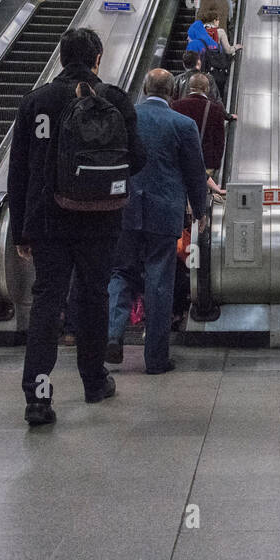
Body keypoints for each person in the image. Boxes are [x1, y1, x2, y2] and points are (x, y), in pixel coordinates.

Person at [9, 28, 146, 426]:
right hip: (102, 218)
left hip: (49, 220)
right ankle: (93, 381)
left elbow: (18, 171)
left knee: (47, 302)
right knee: (94, 295)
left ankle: (38, 398)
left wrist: (22, 229)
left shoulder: (37, 101)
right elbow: (137, 158)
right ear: (98, 59)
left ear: (60, 57)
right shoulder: (114, 100)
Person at [108, 69, 209, 373]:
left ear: (144, 88)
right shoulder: (183, 124)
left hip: (124, 208)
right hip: (165, 213)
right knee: (159, 280)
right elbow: (195, 174)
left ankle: (112, 336)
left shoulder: (126, 119)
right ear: (172, 92)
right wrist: (201, 211)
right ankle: (155, 358)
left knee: (119, 272)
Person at [171, 73, 235, 175]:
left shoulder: (175, 106)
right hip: (205, 162)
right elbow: (219, 141)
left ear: (189, 88)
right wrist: (215, 165)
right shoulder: (216, 110)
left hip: (179, 162)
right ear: (206, 89)